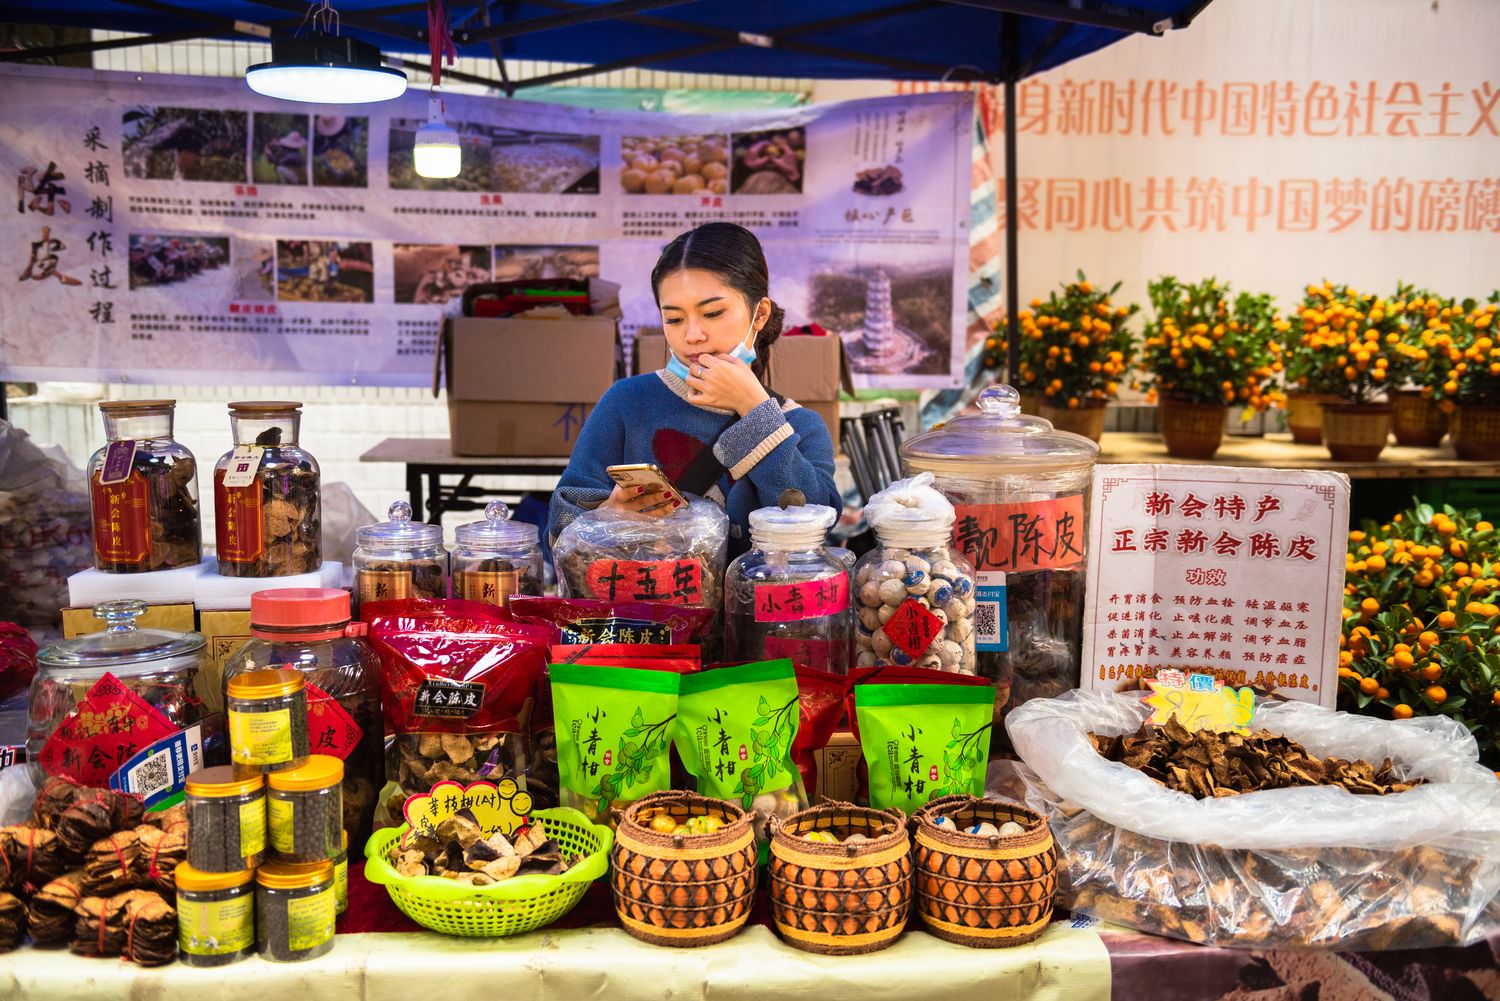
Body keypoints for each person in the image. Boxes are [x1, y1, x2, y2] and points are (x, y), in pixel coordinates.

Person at [549, 222, 841, 554]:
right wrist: (607, 518)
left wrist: (756, 412)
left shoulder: (800, 426)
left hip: (749, 605)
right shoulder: (627, 403)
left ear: (759, 314)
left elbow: (814, 525)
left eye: (713, 313)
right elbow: (560, 528)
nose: (692, 336)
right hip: (641, 606)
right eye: (673, 319)